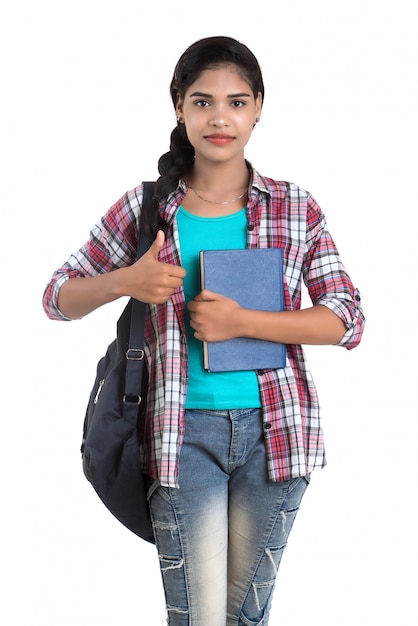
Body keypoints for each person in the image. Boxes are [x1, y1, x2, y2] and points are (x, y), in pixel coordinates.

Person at [43, 35, 365, 626]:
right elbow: (57, 298)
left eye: (237, 102)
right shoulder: (146, 209)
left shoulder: (296, 208)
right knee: (196, 618)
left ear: (260, 107)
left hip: (277, 438)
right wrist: (126, 281)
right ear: (178, 107)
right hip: (179, 436)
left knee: (245, 617)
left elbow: (347, 319)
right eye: (202, 101)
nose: (221, 118)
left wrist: (243, 321)